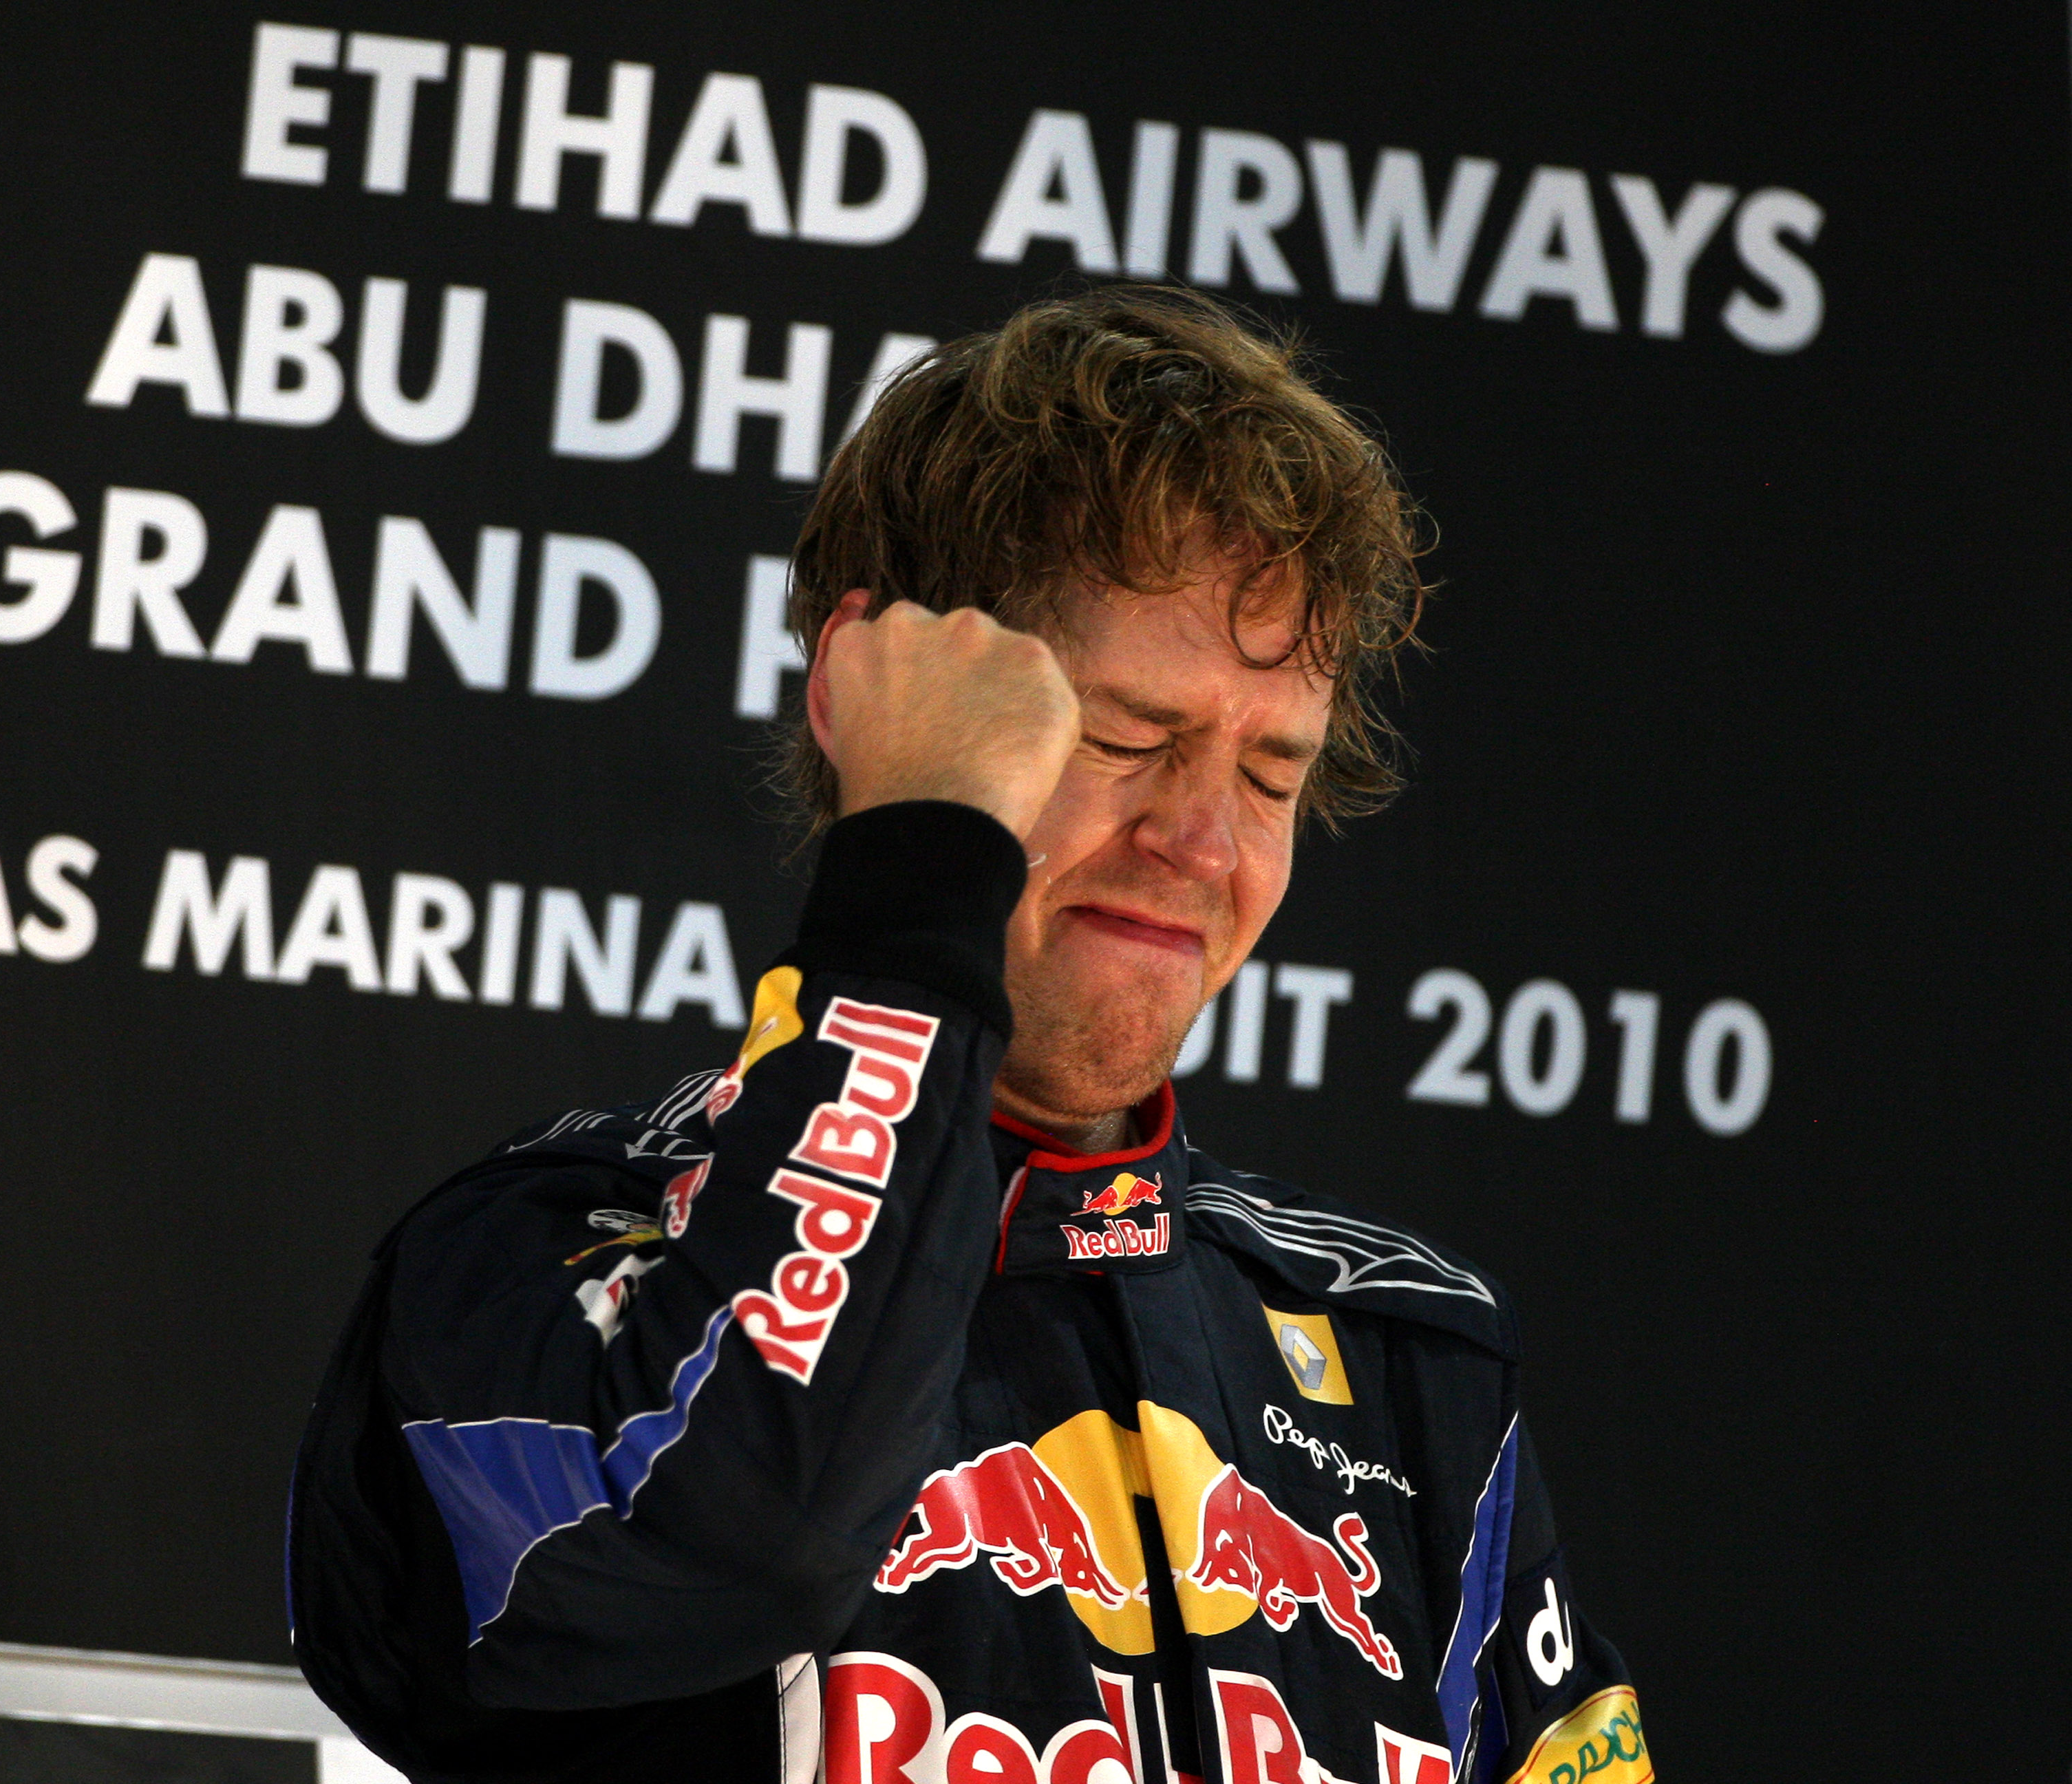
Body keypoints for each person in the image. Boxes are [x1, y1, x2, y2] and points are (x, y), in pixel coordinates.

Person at [288, 288, 1647, 1784]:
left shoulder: (1412, 1366)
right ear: (892, 709)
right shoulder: (536, 1278)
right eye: (1130, 735)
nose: (1203, 839)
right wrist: (922, 857)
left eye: (1271, 770)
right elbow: (753, 1531)